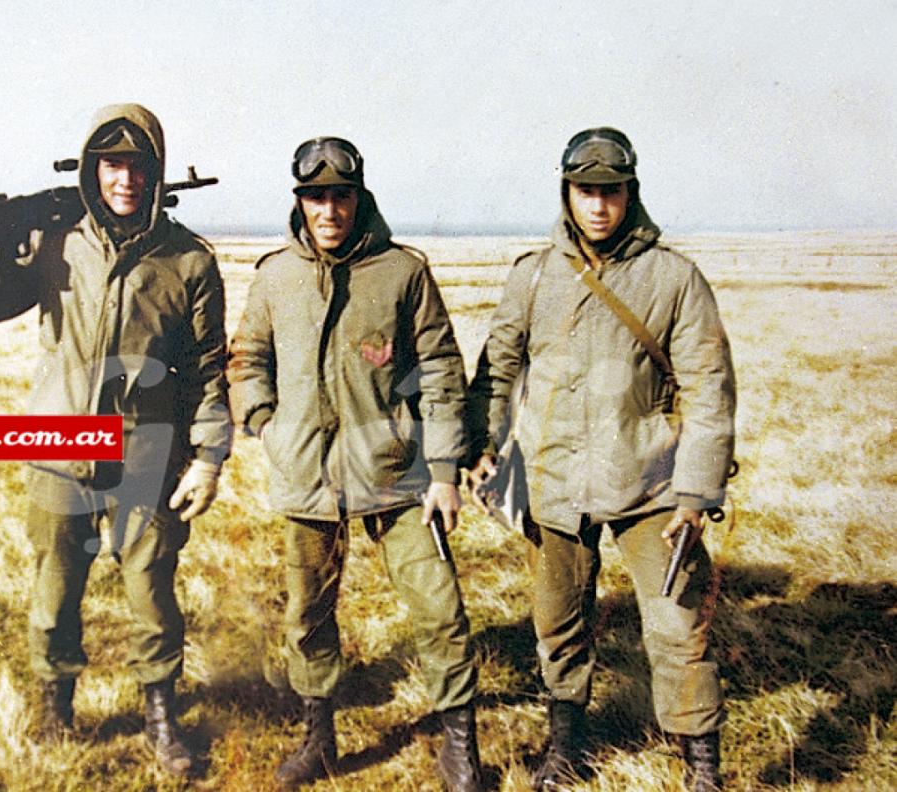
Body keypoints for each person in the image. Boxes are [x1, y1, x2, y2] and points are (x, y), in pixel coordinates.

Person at [0, 104, 230, 777]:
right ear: (94, 170)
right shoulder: (59, 243)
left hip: (148, 461)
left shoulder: (189, 260)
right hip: (58, 454)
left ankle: (160, 716)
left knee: (152, 595)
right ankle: (53, 709)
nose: (125, 178)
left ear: (156, 173)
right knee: (53, 594)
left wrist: (209, 458)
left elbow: (210, 371)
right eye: (113, 164)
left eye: (138, 165)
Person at [466, 127, 736, 791]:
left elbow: (709, 389)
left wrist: (697, 494)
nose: (598, 206)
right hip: (554, 479)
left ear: (629, 193)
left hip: (652, 485)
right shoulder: (533, 276)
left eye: (610, 191)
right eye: (586, 191)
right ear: (567, 193)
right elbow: (498, 369)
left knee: (679, 621)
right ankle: (567, 745)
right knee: (558, 622)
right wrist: (483, 446)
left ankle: (702, 764)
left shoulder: (674, 279)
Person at [228, 137, 483, 791]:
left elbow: (442, 373)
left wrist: (447, 470)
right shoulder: (275, 276)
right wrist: (266, 422)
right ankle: (320, 740)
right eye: (316, 197)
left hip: (399, 473)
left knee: (438, 609)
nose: (329, 209)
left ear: (358, 197)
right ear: (300, 203)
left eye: (340, 196)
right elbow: (247, 358)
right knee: (307, 615)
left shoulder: (402, 272)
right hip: (307, 476)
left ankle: (460, 746)